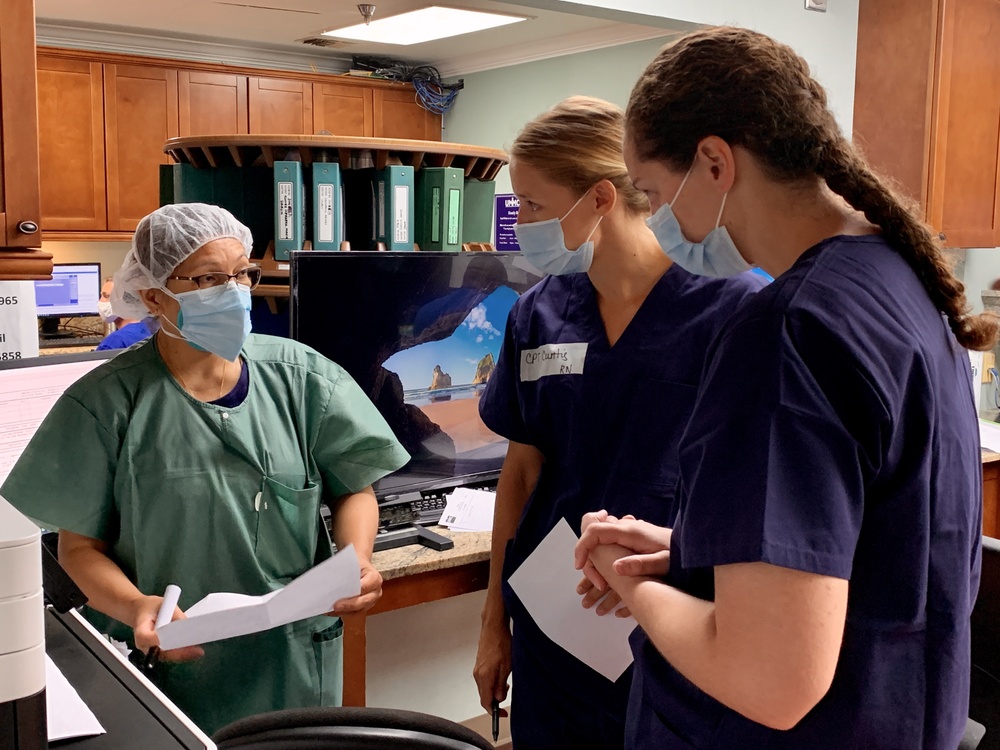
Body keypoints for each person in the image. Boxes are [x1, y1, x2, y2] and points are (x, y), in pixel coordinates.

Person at [573, 27, 997, 750]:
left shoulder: (787, 330)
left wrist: (629, 580)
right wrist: (699, 550)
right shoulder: (896, 282)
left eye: (650, 191)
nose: (654, 219)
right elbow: (876, 553)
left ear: (714, 161)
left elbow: (772, 682)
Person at [1, 203, 409, 734]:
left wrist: (355, 560)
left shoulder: (302, 379)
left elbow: (354, 486)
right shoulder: (106, 405)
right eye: (210, 278)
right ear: (153, 296)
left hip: (291, 661)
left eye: (243, 273)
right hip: (170, 667)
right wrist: (136, 608)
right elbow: (78, 550)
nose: (236, 291)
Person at [473, 96, 767, 750]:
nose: (520, 224)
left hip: (676, 617)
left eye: (535, 206)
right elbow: (521, 472)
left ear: (601, 198)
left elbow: (755, 489)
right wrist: (494, 621)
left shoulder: (732, 308)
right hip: (555, 619)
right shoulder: (540, 312)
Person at [96, 277, 152, 350]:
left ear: (124, 300)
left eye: (106, 296)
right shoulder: (146, 330)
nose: (100, 301)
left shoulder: (113, 343)